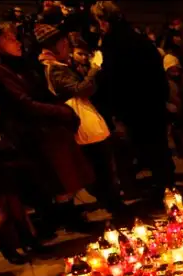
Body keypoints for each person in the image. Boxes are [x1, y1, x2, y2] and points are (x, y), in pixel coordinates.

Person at [0, 18, 94, 232]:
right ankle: (65, 217)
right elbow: (22, 102)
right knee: (57, 177)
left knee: (64, 174)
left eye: (16, 38)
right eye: (10, 39)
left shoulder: (19, 63)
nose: (17, 42)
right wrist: (60, 112)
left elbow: (38, 91)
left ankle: (67, 214)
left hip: (43, 125)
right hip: (31, 130)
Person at [37, 23, 125, 219]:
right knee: (100, 166)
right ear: (56, 45)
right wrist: (94, 69)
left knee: (101, 166)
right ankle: (114, 208)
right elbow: (81, 89)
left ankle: (113, 205)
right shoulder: (54, 69)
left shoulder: (58, 66)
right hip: (81, 123)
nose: (67, 47)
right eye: (64, 43)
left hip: (83, 119)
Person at [92, 1, 173, 204]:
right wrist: (162, 98)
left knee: (138, 149)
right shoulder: (139, 39)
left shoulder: (112, 44)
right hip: (153, 103)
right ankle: (166, 187)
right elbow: (158, 72)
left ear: (104, 21)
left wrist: (114, 109)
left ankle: (146, 191)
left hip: (132, 106)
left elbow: (113, 79)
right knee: (158, 148)